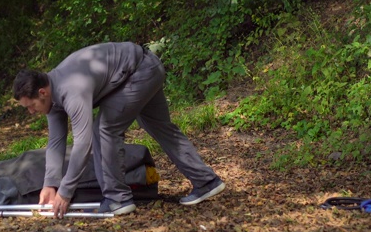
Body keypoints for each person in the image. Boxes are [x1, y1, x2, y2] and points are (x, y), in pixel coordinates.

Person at [12, 42, 224, 218]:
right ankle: (206, 181)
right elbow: (56, 143)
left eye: (31, 106)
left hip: (140, 71)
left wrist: (66, 192)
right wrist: (50, 184)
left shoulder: (71, 90)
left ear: (42, 92)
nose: (31, 112)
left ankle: (117, 198)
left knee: (104, 129)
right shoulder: (51, 98)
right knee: (160, 127)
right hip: (146, 67)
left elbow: (83, 144)